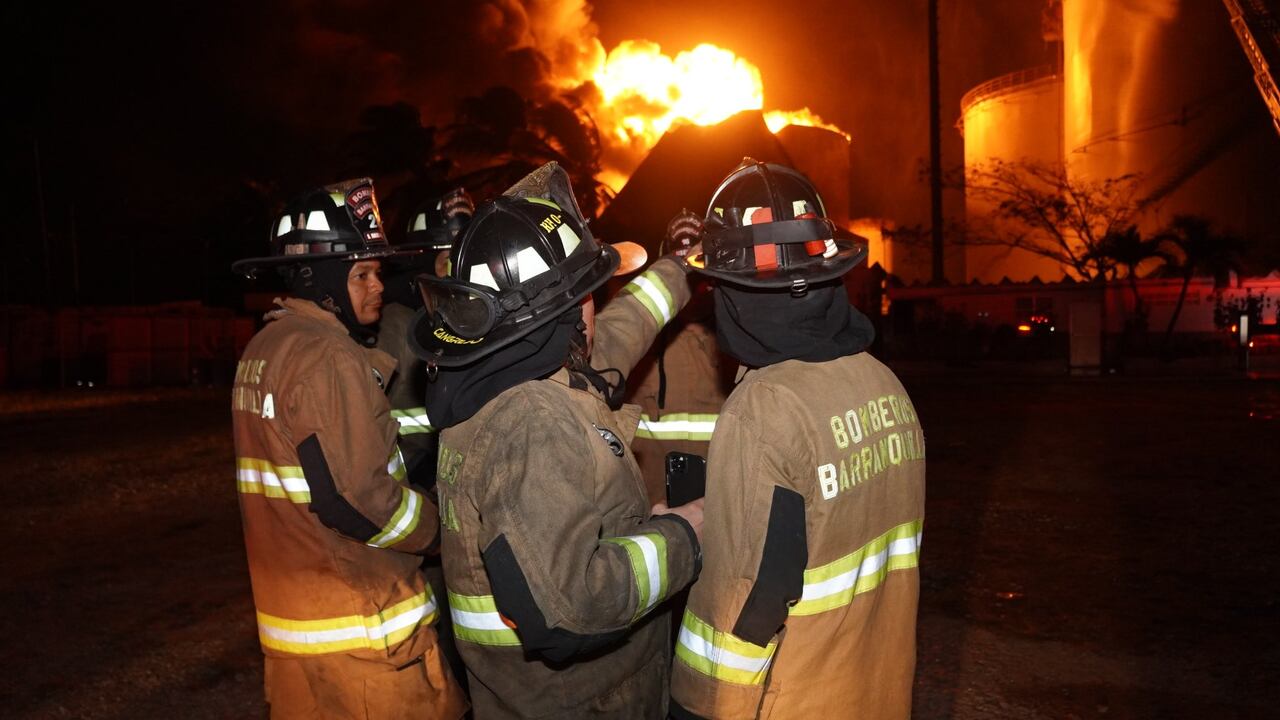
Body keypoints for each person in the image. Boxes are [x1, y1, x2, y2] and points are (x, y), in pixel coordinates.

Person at [408, 162, 704, 719]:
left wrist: (677, 266)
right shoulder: (531, 421)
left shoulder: (509, 372)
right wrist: (684, 535)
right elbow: (570, 610)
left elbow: (620, 333)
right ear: (561, 313)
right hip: (581, 704)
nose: (597, 304)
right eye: (589, 292)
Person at [669, 160, 926, 720]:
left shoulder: (763, 410)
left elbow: (743, 605)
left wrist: (696, 706)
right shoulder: (885, 384)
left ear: (733, 293)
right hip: (878, 694)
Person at [230, 178, 467, 720]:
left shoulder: (264, 347)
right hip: (365, 641)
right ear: (322, 281)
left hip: (299, 634)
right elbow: (357, 499)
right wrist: (439, 530)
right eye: (361, 274)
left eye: (378, 272)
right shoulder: (326, 355)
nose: (378, 286)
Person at [375, 187, 476, 694]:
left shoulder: (468, 320)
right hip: (424, 509)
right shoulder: (395, 327)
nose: (454, 273)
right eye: (444, 259)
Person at [626, 209, 730, 503]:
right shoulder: (639, 341)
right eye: (680, 266)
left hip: (721, 512)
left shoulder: (739, 339)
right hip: (649, 512)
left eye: (697, 265)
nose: (691, 279)